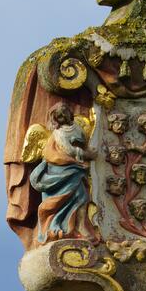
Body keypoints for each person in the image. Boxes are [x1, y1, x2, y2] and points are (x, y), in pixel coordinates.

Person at [30, 102, 97, 243]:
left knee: (82, 197)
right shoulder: (59, 132)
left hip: (77, 169)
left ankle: (81, 226)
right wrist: (86, 155)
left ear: (69, 113)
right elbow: (68, 150)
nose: (63, 117)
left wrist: (88, 152)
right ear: (55, 119)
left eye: (64, 113)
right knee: (60, 200)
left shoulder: (77, 128)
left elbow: (84, 143)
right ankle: (56, 225)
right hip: (62, 170)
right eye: (59, 116)